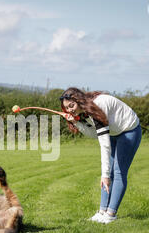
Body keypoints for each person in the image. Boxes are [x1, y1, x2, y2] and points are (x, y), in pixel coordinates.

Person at [60, 87, 142, 224]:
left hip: (129, 131)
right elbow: (94, 135)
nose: (70, 110)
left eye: (71, 105)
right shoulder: (86, 111)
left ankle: (110, 214)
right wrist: (76, 122)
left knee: (118, 171)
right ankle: (102, 212)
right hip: (114, 133)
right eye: (66, 108)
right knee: (109, 172)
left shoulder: (98, 106)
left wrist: (104, 175)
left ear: (78, 100)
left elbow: (104, 145)